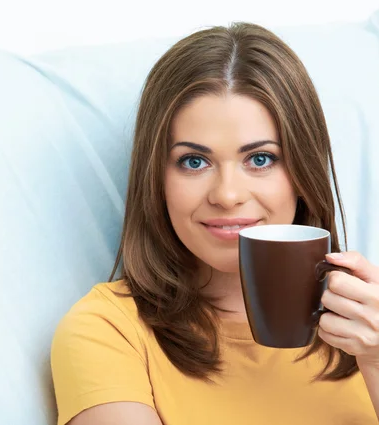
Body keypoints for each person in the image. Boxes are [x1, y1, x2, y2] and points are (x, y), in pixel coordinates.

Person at [50, 22, 379, 425]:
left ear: (303, 173)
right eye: (194, 161)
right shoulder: (107, 332)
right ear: (157, 180)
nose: (226, 194)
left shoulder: (369, 325)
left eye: (260, 159)